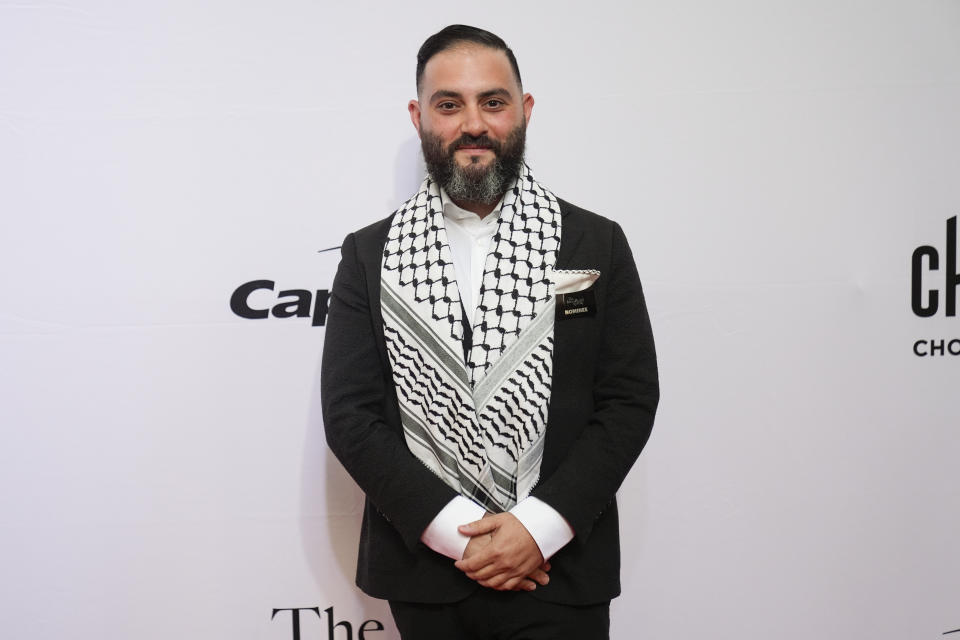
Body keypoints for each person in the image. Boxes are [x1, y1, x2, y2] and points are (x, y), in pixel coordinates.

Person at [321, 24, 659, 640]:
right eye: (449, 105)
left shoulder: (594, 243)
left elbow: (628, 401)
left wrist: (537, 528)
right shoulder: (368, 254)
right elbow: (351, 414)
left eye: (492, 102)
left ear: (524, 110)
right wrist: (459, 535)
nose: (472, 124)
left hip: (558, 570)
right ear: (418, 115)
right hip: (424, 572)